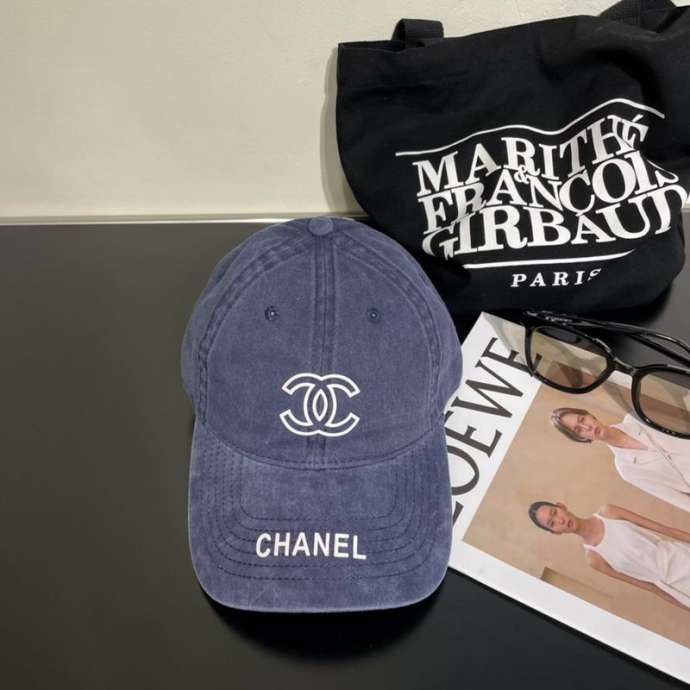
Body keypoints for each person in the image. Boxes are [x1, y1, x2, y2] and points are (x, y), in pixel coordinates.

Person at [528, 500, 690, 610]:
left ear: (561, 506)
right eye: (552, 523)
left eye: (555, 513)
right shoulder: (594, 559)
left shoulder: (609, 513)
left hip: (681, 556)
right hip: (676, 586)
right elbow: (652, 588)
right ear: (555, 532)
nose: (560, 521)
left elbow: (666, 530)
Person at [550, 407, 690, 512]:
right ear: (581, 438)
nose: (587, 427)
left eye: (582, 419)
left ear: (589, 415)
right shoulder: (626, 469)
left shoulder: (636, 417)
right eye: (578, 430)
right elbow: (673, 497)